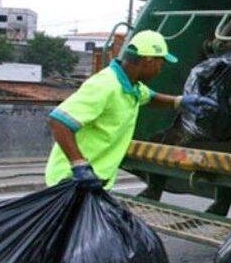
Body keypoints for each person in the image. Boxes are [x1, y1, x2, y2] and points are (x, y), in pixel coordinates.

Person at [45, 30, 217, 190]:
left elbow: (149, 97)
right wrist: (79, 165)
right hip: (71, 181)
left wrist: (180, 102)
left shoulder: (132, 87)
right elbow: (58, 121)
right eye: (160, 63)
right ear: (148, 60)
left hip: (93, 181)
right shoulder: (106, 85)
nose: (160, 70)